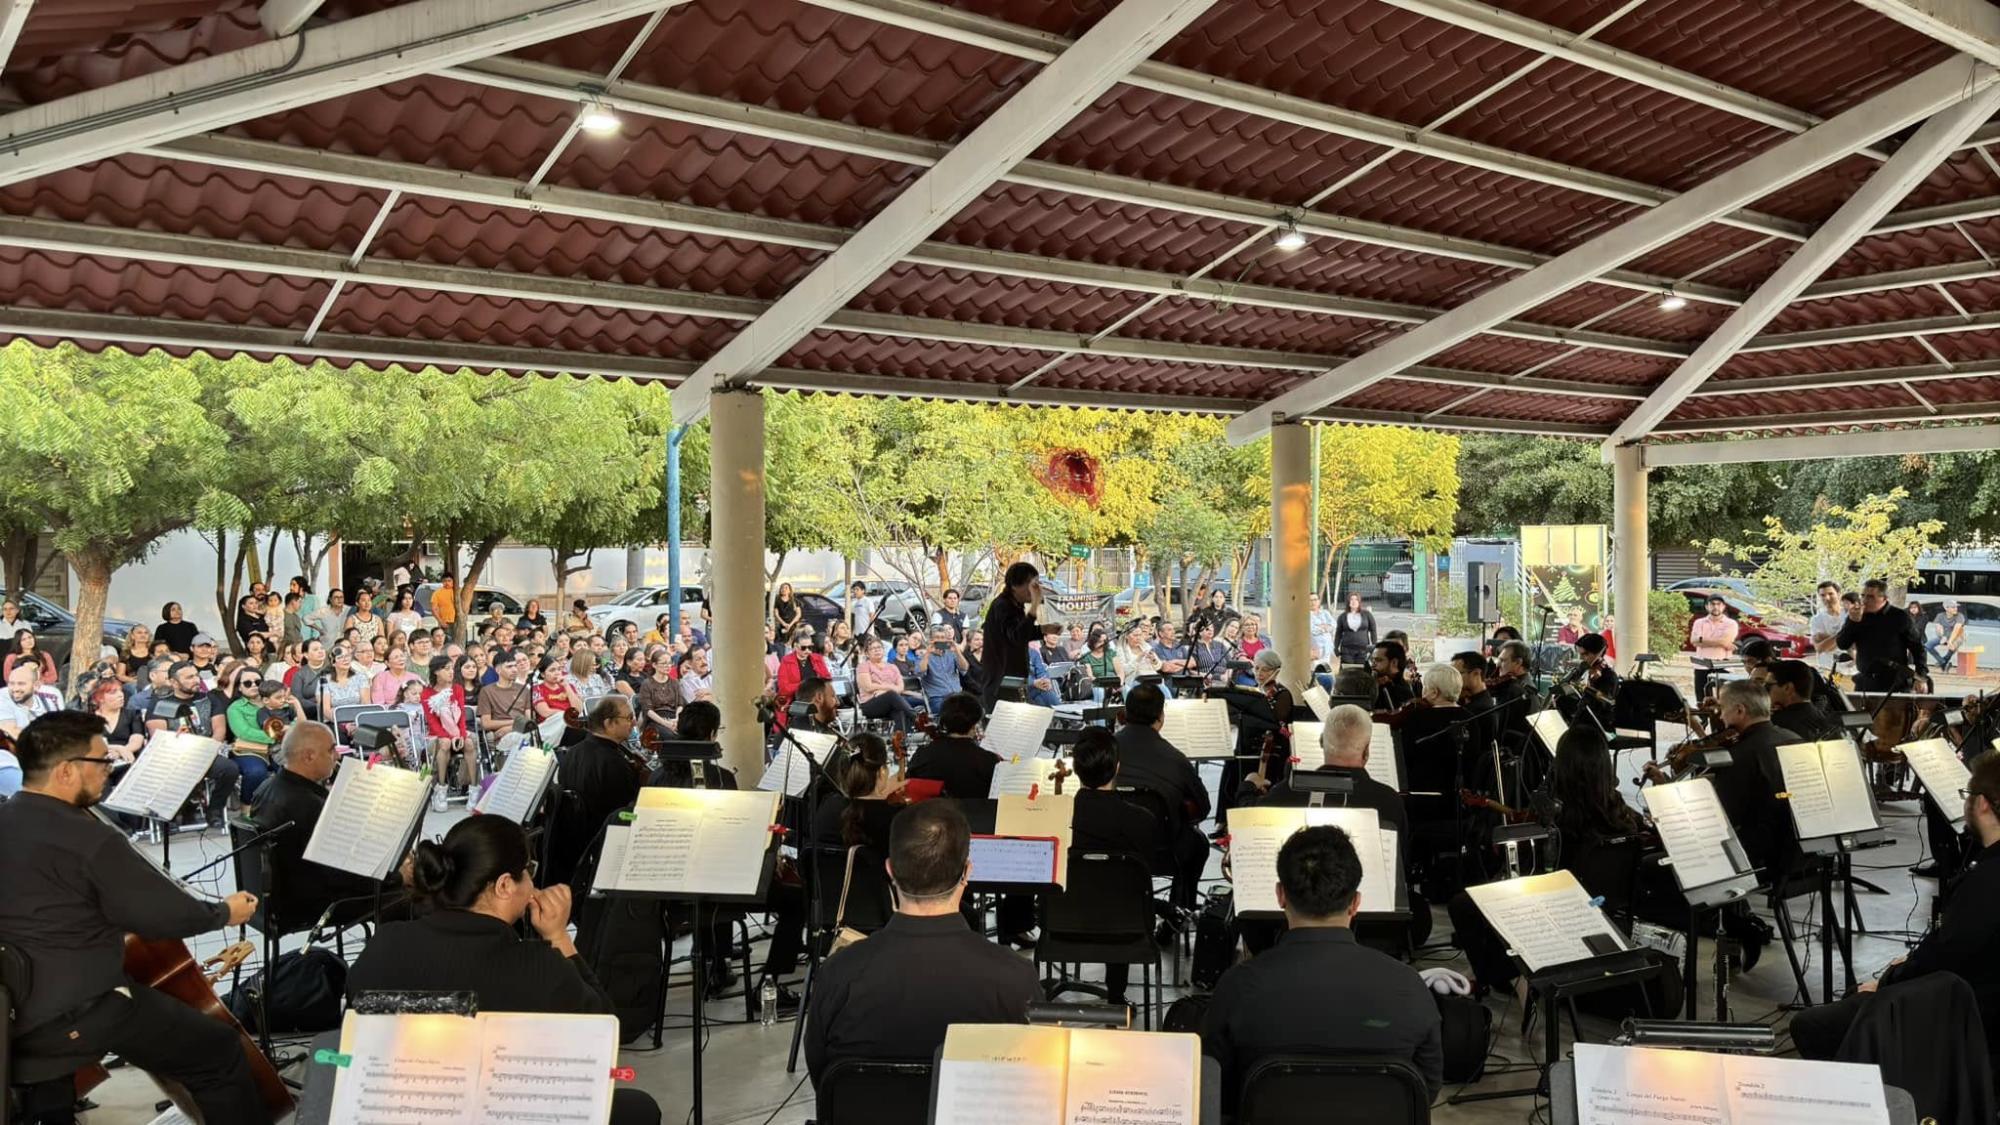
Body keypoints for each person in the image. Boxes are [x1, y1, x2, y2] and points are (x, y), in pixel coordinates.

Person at [0, 712, 264, 1122]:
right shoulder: (90, 838)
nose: (110, 770)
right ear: (67, 771)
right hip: (77, 1008)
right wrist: (225, 912)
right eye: (102, 761)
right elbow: (162, 918)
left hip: (13, 1004)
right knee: (217, 1051)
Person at [346, 816, 662, 1125]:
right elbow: (602, 1036)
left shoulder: (383, 944)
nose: (533, 883)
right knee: (640, 1108)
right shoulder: (540, 968)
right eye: (529, 871)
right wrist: (559, 937)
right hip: (499, 1110)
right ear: (504, 885)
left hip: (400, 1110)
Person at [803, 800, 1039, 1089]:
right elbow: (1032, 1081)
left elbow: (823, 1080)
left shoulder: (838, 972)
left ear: (890, 870)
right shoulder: (1015, 978)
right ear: (966, 872)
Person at [1201, 824, 1443, 1104]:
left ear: (1280, 895)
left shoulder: (1237, 986)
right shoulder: (1410, 986)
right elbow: (1425, 1090)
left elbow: (1214, 1089)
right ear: (1355, 904)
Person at [1792, 749, 2000, 1058]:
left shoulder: (1986, 879)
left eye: (1966, 794)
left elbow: (1948, 956)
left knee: (1811, 1024)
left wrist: (1888, 982)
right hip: (1977, 993)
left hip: (1972, 1017)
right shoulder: (1985, 871)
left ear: (1982, 804)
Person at [248, 721, 409, 927]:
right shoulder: (306, 804)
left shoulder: (267, 787)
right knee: (409, 898)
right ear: (309, 756)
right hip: (308, 902)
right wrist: (395, 878)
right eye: (332, 749)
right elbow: (341, 874)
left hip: (275, 897)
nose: (337, 756)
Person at [1114, 682, 1212, 906]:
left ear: (1127, 712)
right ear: (1160, 716)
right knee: (1198, 843)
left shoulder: (1107, 748)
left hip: (1111, 843)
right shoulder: (1175, 758)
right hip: (1162, 853)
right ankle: (1178, 911)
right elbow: (1203, 808)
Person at [1836, 579, 1927, 692]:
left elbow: (1918, 648)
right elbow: (1842, 644)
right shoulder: (1857, 616)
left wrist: (1921, 677)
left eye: (1870, 597)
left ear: (1884, 598)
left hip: (1895, 682)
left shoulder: (1899, 616)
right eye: (1863, 596)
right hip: (1866, 680)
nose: (1864, 600)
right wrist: (1852, 622)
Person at [979, 561, 1042, 711]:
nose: (1035, 589)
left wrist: (1043, 630)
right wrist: (1034, 608)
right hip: (1001, 682)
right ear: (1015, 585)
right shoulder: (1003, 605)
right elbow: (1016, 635)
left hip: (1013, 680)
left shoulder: (1015, 605)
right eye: (1031, 584)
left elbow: (1019, 633)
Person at [905, 693, 995, 798]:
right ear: (974, 724)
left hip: (930, 812)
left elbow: (909, 786)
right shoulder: (988, 760)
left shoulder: (922, 754)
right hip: (975, 813)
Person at [1557, 632, 1619, 730]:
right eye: (1580, 654)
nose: (1582, 658)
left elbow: (1603, 705)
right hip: (1584, 723)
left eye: (1585, 654)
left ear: (1598, 653)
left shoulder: (1609, 676)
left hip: (1597, 729)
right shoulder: (1585, 670)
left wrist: (1584, 689)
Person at [1768, 659, 1840, 741]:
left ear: (1787, 688)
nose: (1764, 690)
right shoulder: (1825, 720)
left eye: (1768, 686)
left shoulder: (1775, 725)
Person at [0, 662, 59, 740]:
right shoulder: (3, 697)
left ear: (36, 686)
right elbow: (13, 732)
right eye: (11, 683)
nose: (15, 689)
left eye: (21, 684)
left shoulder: (50, 698)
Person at [918, 624, 969, 713]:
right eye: (937, 637)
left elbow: (964, 668)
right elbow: (921, 671)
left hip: (957, 695)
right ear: (931, 640)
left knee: (972, 710)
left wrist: (957, 651)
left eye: (942, 637)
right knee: (953, 712)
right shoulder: (923, 657)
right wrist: (927, 653)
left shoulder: (951, 653)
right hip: (938, 698)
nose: (940, 640)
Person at [1333, 592, 1377, 667]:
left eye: (1356, 599)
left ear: (1359, 602)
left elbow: (1373, 630)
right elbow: (1338, 633)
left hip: (1363, 649)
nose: (1354, 601)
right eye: (1351, 599)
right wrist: (1336, 647)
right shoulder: (1342, 616)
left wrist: (1374, 645)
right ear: (1348, 602)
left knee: (1360, 672)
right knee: (1348, 671)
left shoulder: (1367, 614)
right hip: (1347, 650)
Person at [1932, 600, 1966, 671]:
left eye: (1956, 607)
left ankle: (1943, 661)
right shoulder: (1940, 616)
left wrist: (1949, 641)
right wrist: (1943, 637)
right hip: (1944, 636)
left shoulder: (1960, 616)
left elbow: (1956, 630)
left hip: (1957, 636)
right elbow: (1938, 627)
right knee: (1928, 645)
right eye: (1953, 607)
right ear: (1946, 608)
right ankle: (1943, 662)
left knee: (1953, 645)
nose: (1956, 609)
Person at [1308, 591, 1337, 668]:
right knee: (1315, 671)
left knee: (1326, 671)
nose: (1313, 602)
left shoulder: (1325, 613)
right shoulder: (1306, 615)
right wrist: (1326, 627)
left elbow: (1334, 625)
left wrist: (1321, 627)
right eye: (1310, 600)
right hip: (1315, 649)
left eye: (1315, 600)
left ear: (1318, 601)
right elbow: (1312, 630)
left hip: (1327, 648)